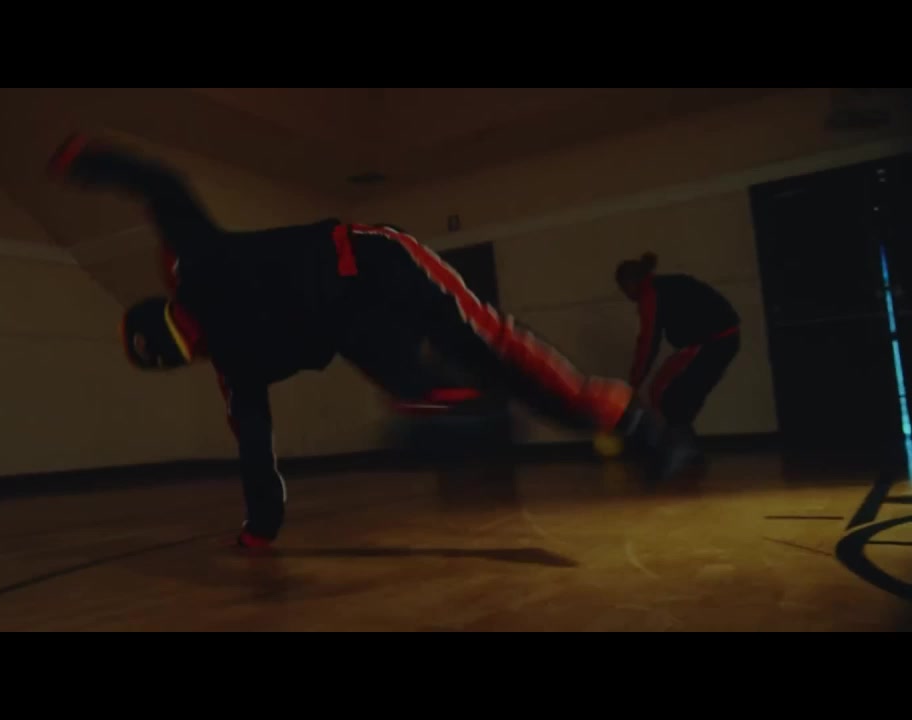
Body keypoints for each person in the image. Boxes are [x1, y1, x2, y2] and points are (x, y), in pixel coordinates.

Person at [48, 133, 696, 549]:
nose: (195, 337)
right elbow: (255, 445)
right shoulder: (233, 359)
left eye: (183, 332)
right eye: (186, 343)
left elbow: (161, 188)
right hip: (358, 323)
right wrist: (261, 528)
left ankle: (634, 433)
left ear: (174, 314)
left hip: (376, 262)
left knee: (493, 348)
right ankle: (511, 416)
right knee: (441, 386)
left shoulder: (200, 272)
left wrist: (90, 161)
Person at [616, 252, 740, 445]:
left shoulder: (650, 294)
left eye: (623, 289)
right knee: (677, 396)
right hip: (723, 338)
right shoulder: (666, 285)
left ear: (629, 283)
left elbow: (648, 343)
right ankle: (683, 446)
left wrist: (634, 383)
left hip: (712, 341)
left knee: (664, 392)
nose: (626, 295)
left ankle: (678, 448)